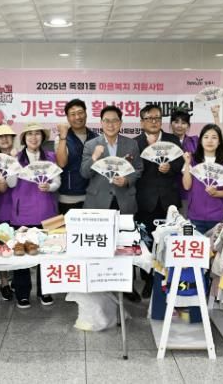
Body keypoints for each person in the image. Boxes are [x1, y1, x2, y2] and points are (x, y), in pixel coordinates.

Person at [81, 105, 143, 301]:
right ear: (101, 123)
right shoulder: (91, 145)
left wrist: (127, 180)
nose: (110, 124)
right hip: (98, 202)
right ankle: (101, 282)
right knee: (99, 244)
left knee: (126, 244)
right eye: (106, 121)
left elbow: (138, 169)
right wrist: (94, 157)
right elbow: (84, 173)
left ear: (120, 123)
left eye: (115, 120)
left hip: (123, 200)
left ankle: (128, 286)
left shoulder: (131, 144)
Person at [8, 122, 60, 308]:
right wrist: (12, 164)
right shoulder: (16, 158)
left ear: (42, 137)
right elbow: (11, 184)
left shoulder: (51, 157)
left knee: (45, 254)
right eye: (29, 134)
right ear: (24, 138)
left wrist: (50, 187)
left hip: (46, 211)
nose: (33, 137)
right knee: (21, 254)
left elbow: (57, 182)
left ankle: (45, 291)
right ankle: (22, 293)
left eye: (37, 133)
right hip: (21, 213)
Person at [135, 104, 183, 297]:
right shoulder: (135, 143)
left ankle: (166, 279)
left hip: (168, 201)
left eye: (157, 118)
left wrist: (170, 168)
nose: (154, 122)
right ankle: (148, 281)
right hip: (144, 202)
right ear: (142, 122)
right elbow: (134, 170)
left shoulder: (173, 140)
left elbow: (180, 163)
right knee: (146, 242)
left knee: (168, 242)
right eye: (149, 118)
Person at [182, 124, 223, 234]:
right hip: (195, 216)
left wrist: (216, 193)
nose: (210, 141)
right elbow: (186, 186)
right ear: (201, 141)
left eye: (214, 137)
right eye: (206, 137)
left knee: (216, 246)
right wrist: (187, 164)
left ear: (219, 142)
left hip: (219, 217)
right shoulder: (192, 160)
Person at [171, 106, 220, 216]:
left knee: (190, 222)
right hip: (170, 192)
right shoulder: (166, 142)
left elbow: (215, 138)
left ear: (188, 125)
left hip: (191, 191)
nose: (179, 125)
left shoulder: (194, 141)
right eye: (176, 122)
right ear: (171, 124)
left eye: (183, 123)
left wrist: (216, 116)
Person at [0, 124, 19, 301]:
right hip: (0, 205)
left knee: (17, 243)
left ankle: (17, 280)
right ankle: (4, 282)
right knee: (2, 243)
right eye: (0, 137)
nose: (5, 139)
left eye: (8, 136)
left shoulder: (21, 156)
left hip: (20, 206)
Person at [55, 98, 99, 214]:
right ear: (68, 118)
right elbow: (61, 163)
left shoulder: (96, 138)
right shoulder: (61, 138)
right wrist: (63, 137)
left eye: (80, 113)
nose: (77, 117)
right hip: (68, 197)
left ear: (86, 114)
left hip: (93, 196)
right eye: (73, 114)